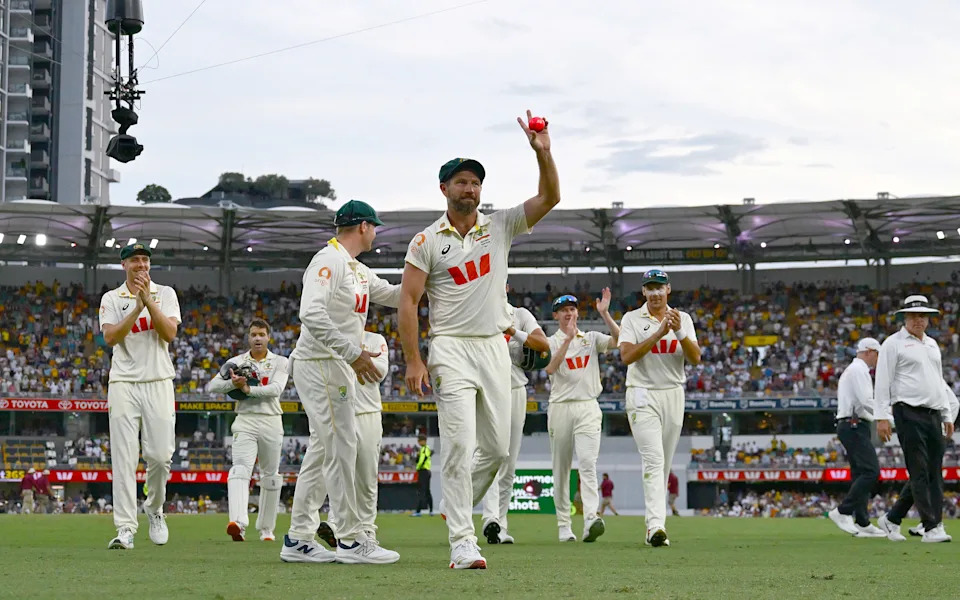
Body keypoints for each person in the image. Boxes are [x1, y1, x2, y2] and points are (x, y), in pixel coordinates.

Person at [399, 110, 560, 569]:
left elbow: (551, 196)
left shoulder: (500, 225)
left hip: (493, 346)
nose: (470, 188)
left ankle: (456, 503)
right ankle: (462, 542)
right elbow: (409, 302)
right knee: (459, 442)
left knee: (498, 450)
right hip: (449, 346)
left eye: (475, 183)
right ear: (444, 189)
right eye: (461, 182)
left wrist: (544, 153)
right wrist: (414, 361)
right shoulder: (426, 241)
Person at [281, 200, 401, 565]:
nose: (376, 233)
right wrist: (352, 351)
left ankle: (299, 538)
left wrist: (427, 274)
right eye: (374, 226)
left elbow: (396, 295)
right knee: (341, 447)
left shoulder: (357, 269)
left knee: (323, 451)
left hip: (332, 363)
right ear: (363, 227)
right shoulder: (328, 261)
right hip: (321, 363)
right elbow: (310, 313)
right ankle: (350, 539)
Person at [99, 242, 181, 550]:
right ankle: (125, 528)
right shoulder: (111, 298)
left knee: (160, 457)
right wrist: (136, 306)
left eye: (145, 260)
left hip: (158, 380)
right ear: (124, 265)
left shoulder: (166, 294)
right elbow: (110, 337)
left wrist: (149, 301)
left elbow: (170, 334)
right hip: (123, 383)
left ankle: (155, 508)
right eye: (135, 260)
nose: (141, 265)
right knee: (123, 458)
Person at [618, 268, 700, 548]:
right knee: (653, 459)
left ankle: (654, 523)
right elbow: (627, 356)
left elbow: (696, 358)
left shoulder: (683, 319)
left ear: (668, 290)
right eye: (649, 288)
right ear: (643, 292)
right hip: (642, 393)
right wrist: (658, 333)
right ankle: (656, 526)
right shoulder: (631, 319)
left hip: (673, 393)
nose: (654, 293)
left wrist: (676, 330)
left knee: (663, 463)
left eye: (659, 287)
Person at [874, 295, 955, 543]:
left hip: (933, 412)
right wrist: (881, 416)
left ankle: (892, 518)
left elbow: (938, 382)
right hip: (907, 411)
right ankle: (932, 527)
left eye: (923, 316)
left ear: (928, 319)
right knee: (919, 471)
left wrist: (947, 413)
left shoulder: (931, 345)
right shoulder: (893, 343)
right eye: (914, 316)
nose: (918, 320)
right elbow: (883, 381)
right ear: (905, 318)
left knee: (934, 471)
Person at [544, 289, 619, 543]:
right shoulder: (551, 341)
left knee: (588, 464)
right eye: (564, 310)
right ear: (556, 315)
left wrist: (605, 314)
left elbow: (619, 341)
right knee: (562, 469)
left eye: (573, 309)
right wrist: (567, 339)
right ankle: (564, 525)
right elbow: (550, 368)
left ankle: (590, 519)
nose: (569, 313)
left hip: (588, 406)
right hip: (560, 407)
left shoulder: (591, 338)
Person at [207, 319, 289, 543]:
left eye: (262, 334)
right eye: (253, 334)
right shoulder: (236, 362)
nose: (258, 338)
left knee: (271, 477)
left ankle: (266, 530)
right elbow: (212, 386)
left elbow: (276, 389)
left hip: (272, 420)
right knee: (240, 470)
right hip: (245, 420)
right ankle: (238, 524)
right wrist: (232, 385)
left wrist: (247, 389)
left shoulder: (281, 362)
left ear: (268, 337)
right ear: (248, 338)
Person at [481, 288, 550, 543]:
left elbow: (543, 344)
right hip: (486, 388)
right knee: (489, 454)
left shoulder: (520, 315)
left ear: (506, 286)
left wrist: (513, 331)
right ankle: (490, 518)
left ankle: (500, 524)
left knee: (509, 461)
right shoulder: (477, 309)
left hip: (515, 388)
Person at [880, 380, 959, 540]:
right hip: (935, 423)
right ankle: (928, 523)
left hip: (937, 422)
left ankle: (898, 518)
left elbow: (952, 403)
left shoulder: (921, 374)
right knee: (925, 474)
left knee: (924, 474)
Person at [827, 337, 886, 538]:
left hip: (852, 424)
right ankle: (843, 511)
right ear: (870, 351)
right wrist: (886, 419)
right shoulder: (859, 370)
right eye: (878, 355)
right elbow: (866, 401)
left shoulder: (854, 370)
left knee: (861, 473)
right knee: (871, 471)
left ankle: (862, 521)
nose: (879, 360)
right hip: (854, 424)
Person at [353, 329, 390, 539]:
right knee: (339, 473)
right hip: (339, 410)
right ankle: (337, 523)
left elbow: (380, 371)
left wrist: (352, 356)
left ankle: (367, 526)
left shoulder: (375, 339)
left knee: (366, 474)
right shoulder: (333, 335)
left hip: (368, 412)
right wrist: (358, 358)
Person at [413, 434, 433, 517]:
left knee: (421, 491)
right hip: (426, 471)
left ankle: (418, 511)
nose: (418, 442)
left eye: (419, 440)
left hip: (423, 471)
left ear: (423, 441)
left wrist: (417, 467)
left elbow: (422, 460)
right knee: (427, 491)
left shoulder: (424, 449)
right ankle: (431, 510)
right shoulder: (424, 449)